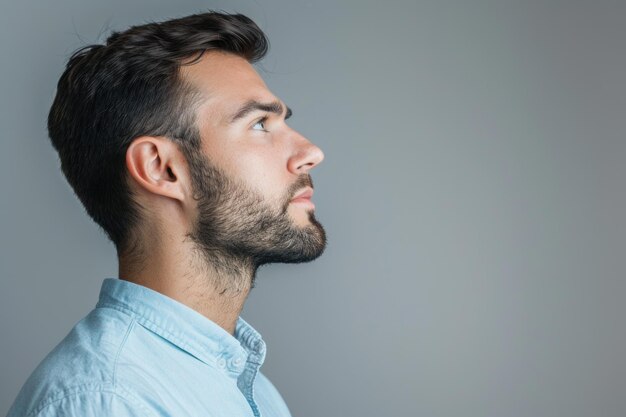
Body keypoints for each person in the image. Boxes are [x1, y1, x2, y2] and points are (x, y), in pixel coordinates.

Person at [7, 11, 326, 417]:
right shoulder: (108, 400)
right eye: (260, 124)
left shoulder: (251, 389)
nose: (311, 153)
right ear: (162, 168)